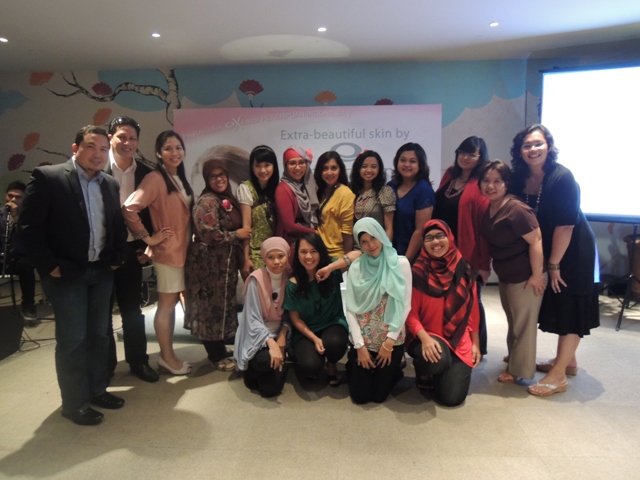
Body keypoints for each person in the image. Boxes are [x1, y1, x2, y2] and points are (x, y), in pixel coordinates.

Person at [19, 125, 128, 425]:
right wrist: (48, 265)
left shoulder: (109, 183)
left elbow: (115, 224)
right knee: (74, 339)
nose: (98, 154)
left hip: (101, 270)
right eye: (91, 146)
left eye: (103, 149)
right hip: (66, 273)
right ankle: (74, 403)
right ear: (76, 148)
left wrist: (117, 258)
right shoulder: (49, 177)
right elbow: (28, 227)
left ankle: (97, 390)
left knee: (99, 335)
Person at [510, 124, 599, 397]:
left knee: (571, 304)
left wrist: (553, 265)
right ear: (520, 151)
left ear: (548, 146)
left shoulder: (562, 177)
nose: (533, 149)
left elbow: (566, 226)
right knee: (558, 303)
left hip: (573, 249)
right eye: (527, 145)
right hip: (550, 248)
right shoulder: (521, 177)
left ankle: (558, 375)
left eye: (538, 143)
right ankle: (567, 361)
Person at [123, 130, 193, 376]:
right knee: (166, 305)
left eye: (178, 147)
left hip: (183, 250)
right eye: (168, 148)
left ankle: (168, 354)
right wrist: (149, 238)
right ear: (158, 153)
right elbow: (129, 208)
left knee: (171, 304)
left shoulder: (178, 177)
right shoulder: (155, 178)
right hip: (168, 252)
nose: (175, 153)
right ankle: (166, 357)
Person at [319, 218, 411, 404]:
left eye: (373, 238)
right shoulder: (357, 266)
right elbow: (351, 308)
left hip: (390, 338)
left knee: (378, 397)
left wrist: (389, 343)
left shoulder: (400, 263)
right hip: (364, 339)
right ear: (359, 244)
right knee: (360, 397)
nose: (371, 245)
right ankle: (355, 364)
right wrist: (359, 346)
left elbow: (405, 305)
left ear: (381, 235)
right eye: (364, 242)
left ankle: (393, 370)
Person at [479, 160, 546, 383]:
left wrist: (536, 275)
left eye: (497, 181)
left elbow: (536, 240)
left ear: (506, 184)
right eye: (486, 181)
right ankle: (516, 358)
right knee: (514, 321)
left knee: (523, 325)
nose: (490, 186)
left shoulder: (516, 209)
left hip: (525, 276)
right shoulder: (491, 207)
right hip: (507, 275)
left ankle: (520, 370)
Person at [104, 116, 158, 383]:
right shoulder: (96, 167)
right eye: (121, 137)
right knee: (101, 313)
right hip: (101, 252)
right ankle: (106, 366)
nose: (127, 143)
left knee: (132, 311)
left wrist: (145, 246)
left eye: (132, 138)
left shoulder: (146, 173)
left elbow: (150, 214)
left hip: (131, 250)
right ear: (110, 138)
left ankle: (138, 361)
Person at [406, 219, 482, 407]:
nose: (435, 242)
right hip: (426, 336)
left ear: (450, 237)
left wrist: (475, 343)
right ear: (423, 243)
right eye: (429, 238)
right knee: (438, 359)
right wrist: (425, 339)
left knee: (452, 398)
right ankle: (424, 370)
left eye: (440, 236)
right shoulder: (417, 272)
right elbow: (410, 314)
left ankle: (441, 373)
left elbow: (473, 310)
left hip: (458, 338)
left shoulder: (464, 270)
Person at [184, 158, 250, 371]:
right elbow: (209, 234)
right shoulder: (208, 201)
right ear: (207, 179)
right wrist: (237, 234)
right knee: (209, 310)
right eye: (213, 176)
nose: (219, 179)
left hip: (222, 266)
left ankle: (219, 349)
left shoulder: (224, 198)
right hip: (207, 268)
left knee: (220, 308)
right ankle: (215, 355)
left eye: (222, 175)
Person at [433, 136, 491, 354]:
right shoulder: (450, 174)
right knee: (448, 298)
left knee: (473, 299)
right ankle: (452, 341)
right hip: (442, 250)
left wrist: (485, 265)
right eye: (463, 152)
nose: (465, 158)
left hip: (468, 252)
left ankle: (478, 347)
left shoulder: (481, 183)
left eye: (472, 154)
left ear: (480, 158)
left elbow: (484, 228)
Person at [283, 232, 349, 386]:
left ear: (321, 252)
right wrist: (314, 338)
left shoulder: (332, 270)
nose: (308, 256)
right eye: (303, 252)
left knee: (335, 343)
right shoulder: (292, 284)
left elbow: (357, 255)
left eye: (314, 251)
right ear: (297, 255)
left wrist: (330, 268)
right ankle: (300, 353)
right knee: (310, 366)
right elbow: (295, 319)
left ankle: (331, 363)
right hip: (306, 331)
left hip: (332, 323)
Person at [234, 237, 291, 397]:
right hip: (258, 336)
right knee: (264, 363)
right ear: (264, 259)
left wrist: (282, 335)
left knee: (269, 390)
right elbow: (252, 319)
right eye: (270, 257)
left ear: (287, 256)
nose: (276, 262)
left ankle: (276, 365)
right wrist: (272, 344)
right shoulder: (255, 280)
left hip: (283, 333)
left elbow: (290, 313)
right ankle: (261, 367)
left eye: (281, 256)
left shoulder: (290, 278)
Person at [387, 142, 435, 262]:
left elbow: (420, 231)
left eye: (412, 161)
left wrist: (405, 260)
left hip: (412, 256)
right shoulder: (390, 186)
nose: (407, 164)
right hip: (388, 252)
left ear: (420, 164)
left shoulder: (424, 190)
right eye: (403, 160)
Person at [237, 145, 279, 279]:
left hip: (276, 252)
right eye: (258, 165)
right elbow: (246, 227)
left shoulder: (279, 189)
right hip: (255, 253)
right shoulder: (246, 188)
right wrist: (246, 258)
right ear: (252, 167)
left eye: (267, 165)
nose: (263, 170)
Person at [0, 181, 38, 326]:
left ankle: (28, 305)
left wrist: (16, 217)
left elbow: (27, 240)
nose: (13, 199)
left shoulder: (29, 217)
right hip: (2, 258)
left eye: (18, 197)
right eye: (10, 196)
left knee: (25, 265)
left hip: (19, 258)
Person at [275, 146, 318, 250]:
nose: (298, 168)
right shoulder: (283, 189)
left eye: (301, 162)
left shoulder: (307, 186)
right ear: (285, 166)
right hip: (293, 243)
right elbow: (289, 227)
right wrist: (314, 232)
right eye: (292, 163)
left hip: (308, 241)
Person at [314, 151, 355, 257]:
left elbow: (347, 232)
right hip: (317, 252)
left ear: (340, 170)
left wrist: (347, 260)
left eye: (333, 168)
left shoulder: (345, 194)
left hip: (336, 255)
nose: (329, 173)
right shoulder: (318, 191)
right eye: (325, 168)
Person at [350, 150, 395, 240]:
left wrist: (386, 247)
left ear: (379, 169)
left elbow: (389, 228)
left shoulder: (384, 191)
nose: (369, 170)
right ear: (358, 168)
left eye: (373, 166)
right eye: (364, 166)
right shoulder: (351, 190)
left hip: (376, 244)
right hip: (355, 244)